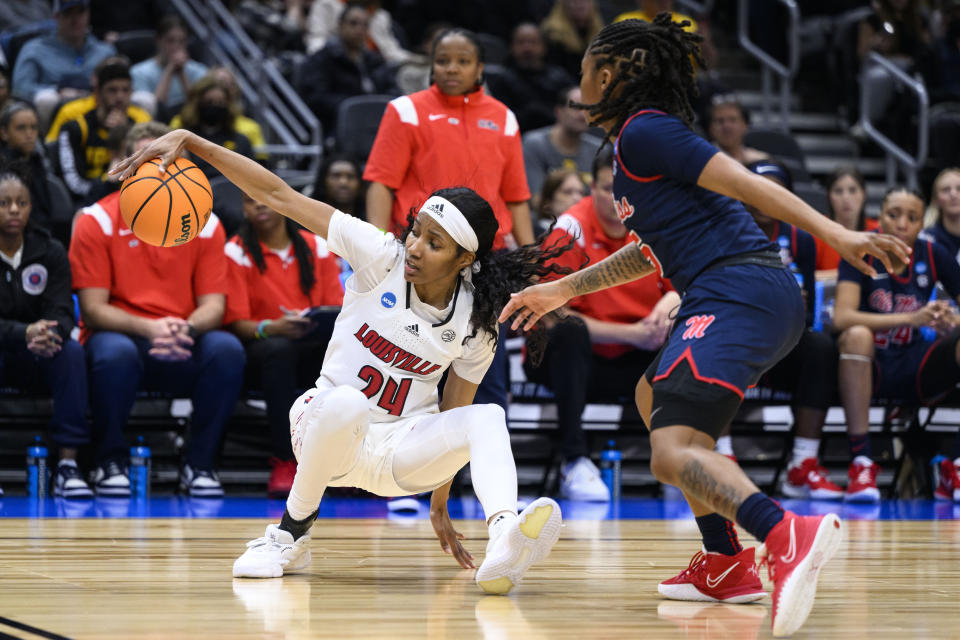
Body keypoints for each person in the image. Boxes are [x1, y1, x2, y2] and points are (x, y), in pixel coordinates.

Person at [498, 16, 908, 636]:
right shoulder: (635, 148)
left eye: (583, 68)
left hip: (739, 289)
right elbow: (649, 252)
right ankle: (725, 561)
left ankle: (783, 533)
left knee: (670, 453)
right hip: (736, 291)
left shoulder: (646, 131)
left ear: (606, 76)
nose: (576, 78)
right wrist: (563, 285)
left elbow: (743, 183)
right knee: (650, 396)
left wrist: (836, 233)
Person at [113, 128, 574, 593]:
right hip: (323, 428)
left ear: (465, 259)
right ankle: (289, 536)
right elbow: (279, 195)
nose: (414, 246)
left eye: (434, 244)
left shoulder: (476, 321)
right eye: (416, 231)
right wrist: (194, 143)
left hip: (400, 451)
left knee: (488, 415)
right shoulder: (379, 256)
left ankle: (502, 541)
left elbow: (454, 417)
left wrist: (440, 505)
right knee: (347, 402)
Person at [68, 121, 246, 498]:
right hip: (124, 339)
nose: (159, 168)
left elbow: (214, 305)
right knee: (112, 352)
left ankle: (199, 465)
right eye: (148, 159)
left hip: (183, 337)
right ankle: (108, 460)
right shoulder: (95, 220)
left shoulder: (206, 221)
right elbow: (93, 309)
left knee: (227, 350)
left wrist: (186, 329)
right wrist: (151, 329)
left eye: (166, 158)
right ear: (125, 164)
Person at [364, 27, 535, 409]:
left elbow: (517, 198)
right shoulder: (405, 111)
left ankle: (481, 465)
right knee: (409, 362)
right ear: (431, 65)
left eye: (463, 61)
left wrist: (528, 264)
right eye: (443, 61)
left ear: (480, 68)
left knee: (483, 367)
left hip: (481, 263)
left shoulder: (504, 119)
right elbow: (380, 183)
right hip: (420, 254)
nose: (451, 69)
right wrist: (378, 245)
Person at [526, 148, 678, 501]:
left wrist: (673, 299)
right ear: (592, 187)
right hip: (575, 362)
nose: (617, 200)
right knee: (568, 332)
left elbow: (688, 284)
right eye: (608, 189)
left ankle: (677, 461)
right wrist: (631, 334)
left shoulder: (656, 226)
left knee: (689, 329)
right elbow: (550, 313)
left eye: (625, 191)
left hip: (637, 361)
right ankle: (574, 461)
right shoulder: (570, 229)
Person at [835, 186, 960, 504]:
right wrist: (911, 319)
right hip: (868, 367)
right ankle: (862, 464)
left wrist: (951, 320)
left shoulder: (934, 253)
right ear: (880, 218)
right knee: (857, 334)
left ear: (922, 224)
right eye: (894, 214)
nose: (902, 224)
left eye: (912, 217)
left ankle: (954, 464)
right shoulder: (859, 249)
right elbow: (842, 317)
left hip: (916, 364)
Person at [224, 193, 345, 499]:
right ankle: (285, 459)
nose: (259, 204)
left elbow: (337, 309)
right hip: (261, 348)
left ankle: (346, 461)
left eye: (262, 198)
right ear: (244, 210)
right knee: (278, 351)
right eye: (250, 201)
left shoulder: (316, 247)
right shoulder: (236, 251)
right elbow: (237, 323)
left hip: (312, 343)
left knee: (345, 353)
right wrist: (271, 327)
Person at [736, 160, 843, 500]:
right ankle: (718, 455)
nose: (763, 199)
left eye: (774, 191)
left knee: (822, 346)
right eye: (757, 189)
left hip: (785, 344)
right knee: (717, 341)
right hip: (739, 340)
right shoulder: (724, 231)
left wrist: (791, 306)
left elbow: (809, 312)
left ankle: (802, 465)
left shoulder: (801, 239)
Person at [0, 162, 93, 499]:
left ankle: (68, 465)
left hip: (42, 351)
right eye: (4, 202)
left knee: (71, 351)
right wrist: (23, 332)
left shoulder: (49, 249)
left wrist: (46, 332)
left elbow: (64, 311)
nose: (13, 210)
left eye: (21, 203)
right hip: (6, 348)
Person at [53, 57, 150, 205]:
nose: (120, 97)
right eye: (112, 90)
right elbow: (73, 184)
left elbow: (148, 174)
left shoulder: (139, 125)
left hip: (132, 199)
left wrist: (125, 134)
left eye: (126, 90)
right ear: (97, 92)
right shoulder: (76, 128)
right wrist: (107, 184)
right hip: (87, 202)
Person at [299, 3, 398, 136]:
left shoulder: (375, 61)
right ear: (340, 25)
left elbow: (395, 92)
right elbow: (317, 98)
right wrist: (356, 107)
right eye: (353, 23)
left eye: (365, 25)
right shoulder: (322, 60)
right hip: (336, 130)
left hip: (377, 127)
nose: (360, 29)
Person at [11, 0, 115, 123]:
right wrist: (56, 92)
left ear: (88, 14)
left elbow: (120, 83)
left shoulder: (104, 51)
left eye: (80, 12)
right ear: (56, 17)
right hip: (54, 109)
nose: (75, 19)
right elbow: (20, 88)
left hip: (96, 109)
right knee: (46, 99)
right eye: (68, 13)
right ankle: (48, 142)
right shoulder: (35, 49)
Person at [484, 23, 575, 133]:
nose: (527, 48)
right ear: (512, 47)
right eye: (521, 42)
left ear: (544, 46)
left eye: (533, 42)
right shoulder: (501, 80)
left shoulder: (560, 78)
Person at [523, 86, 602, 206]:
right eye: (577, 107)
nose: (583, 115)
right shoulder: (534, 144)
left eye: (588, 109)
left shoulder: (600, 150)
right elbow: (536, 200)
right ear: (559, 111)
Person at [0, 101, 67, 239]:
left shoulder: (37, 160)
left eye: (34, 127)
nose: (29, 134)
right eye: (21, 128)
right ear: (4, 133)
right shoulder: (3, 167)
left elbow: (45, 208)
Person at [173, 75, 255, 181]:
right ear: (197, 103)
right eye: (209, 102)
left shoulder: (241, 141)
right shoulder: (183, 139)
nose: (215, 107)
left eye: (220, 103)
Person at [130, 15, 208, 121]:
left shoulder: (200, 71)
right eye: (170, 40)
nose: (176, 46)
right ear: (158, 40)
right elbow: (154, 110)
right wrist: (169, 70)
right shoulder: (138, 72)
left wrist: (182, 73)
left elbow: (199, 109)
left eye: (182, 41)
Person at [815, 166, 876, 272]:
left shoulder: (877, 232)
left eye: (852, 190)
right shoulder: (817, 231)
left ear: (864, 194)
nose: (846, 198)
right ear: (829, 196)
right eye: (838, 191)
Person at [540, 0, 604, 77]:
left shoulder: (601, 34)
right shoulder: (552, 35)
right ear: (563, 5)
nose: (579, 4)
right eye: (573, 1)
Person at [706, 94, 769, 166]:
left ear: (745, 125)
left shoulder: (761, 160)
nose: (727, 126)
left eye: (733, 120)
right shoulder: (703, 159)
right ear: (710, 128)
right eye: (720, 121)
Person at [922, 167, 960, 263]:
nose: (953, 194)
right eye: (945, 190)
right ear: (935, 199)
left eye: (959, 189)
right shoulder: (926, 239)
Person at [312, 154, 365, 219]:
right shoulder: (303, 221)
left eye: (350, 176)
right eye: (336, 176)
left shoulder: (373, 223)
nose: (343, 182)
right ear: (323, 180)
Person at [535, 168, 585, 233]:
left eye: (581, 193)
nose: (577, 198)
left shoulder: (586, 233)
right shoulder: (534, 234)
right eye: (568, 192)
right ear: (548, 200)